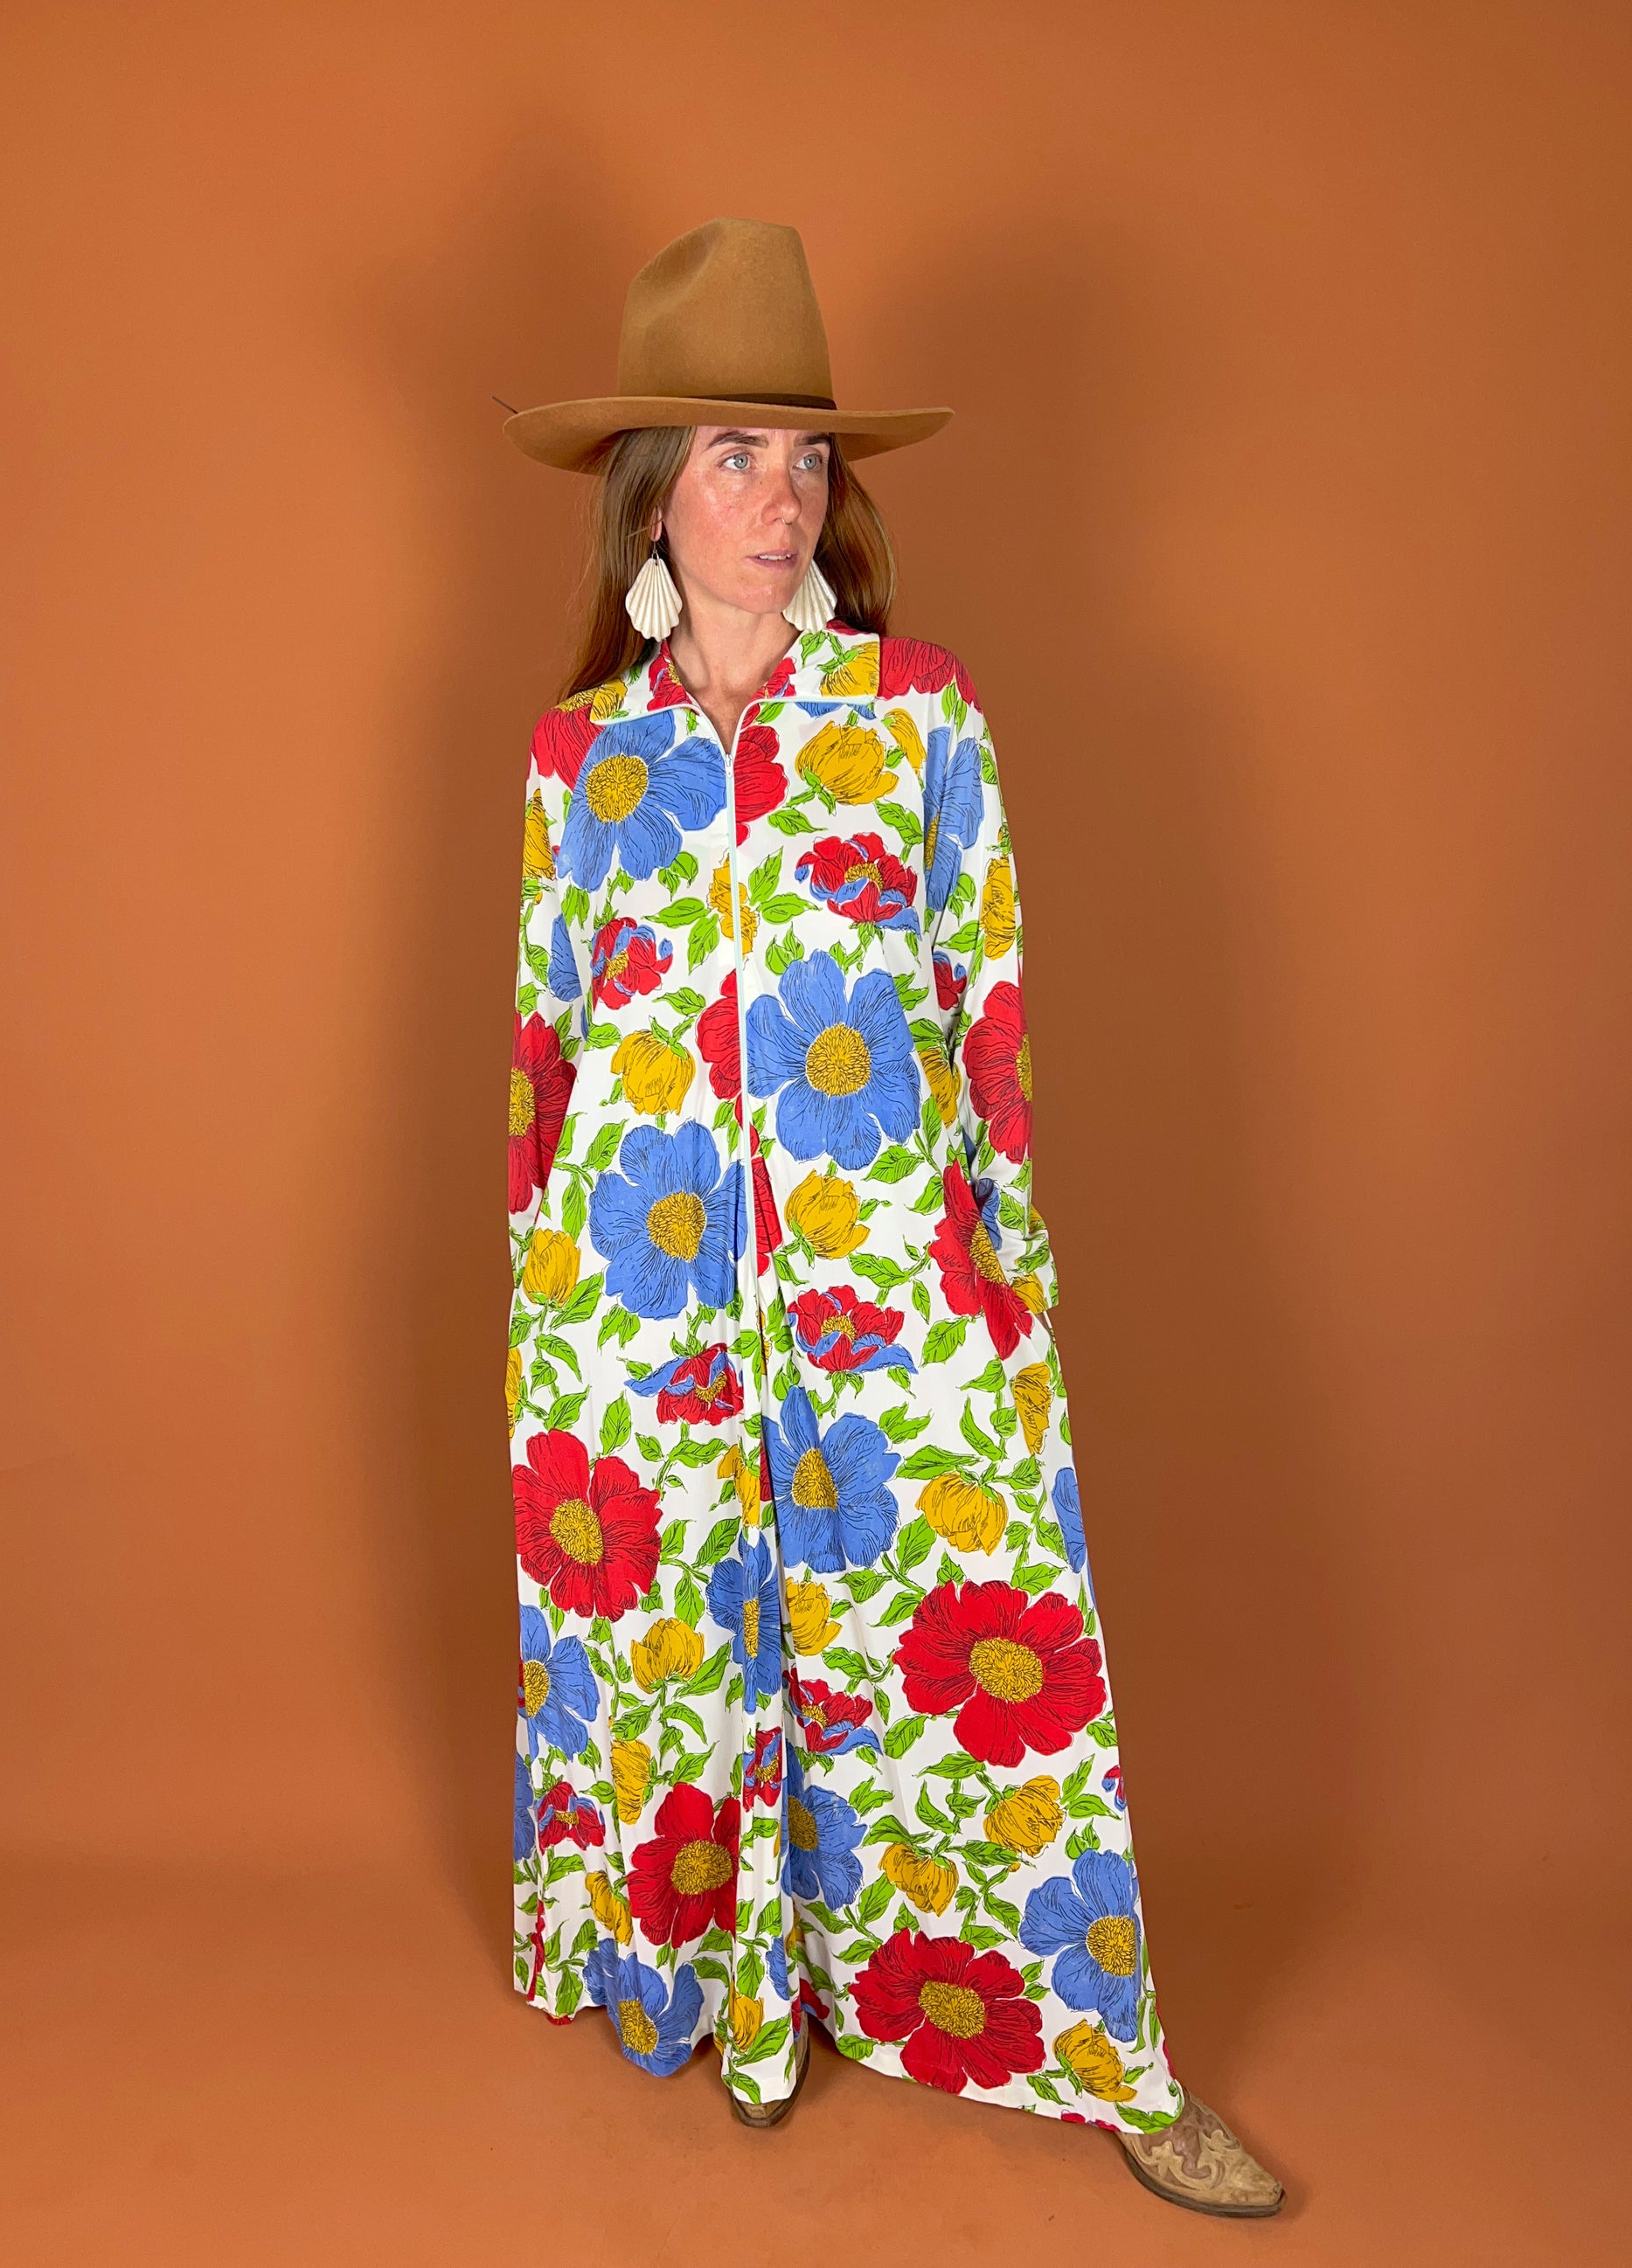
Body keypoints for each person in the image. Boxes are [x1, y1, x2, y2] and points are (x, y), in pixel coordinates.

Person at [500, 216, 1284, 2219]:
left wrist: (999, 1271)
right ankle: (734, 1988)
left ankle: (1104, 2050)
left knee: (962, 1650)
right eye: (736, 457)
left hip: (880, 1290)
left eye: (807, 459)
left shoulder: (919, 716)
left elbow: (985, 1009)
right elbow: (544, 1049)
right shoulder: (581, 758)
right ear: (654, 492)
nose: (781, 499)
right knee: (679, 1648)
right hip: (639, 1309)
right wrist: (546, 1315)